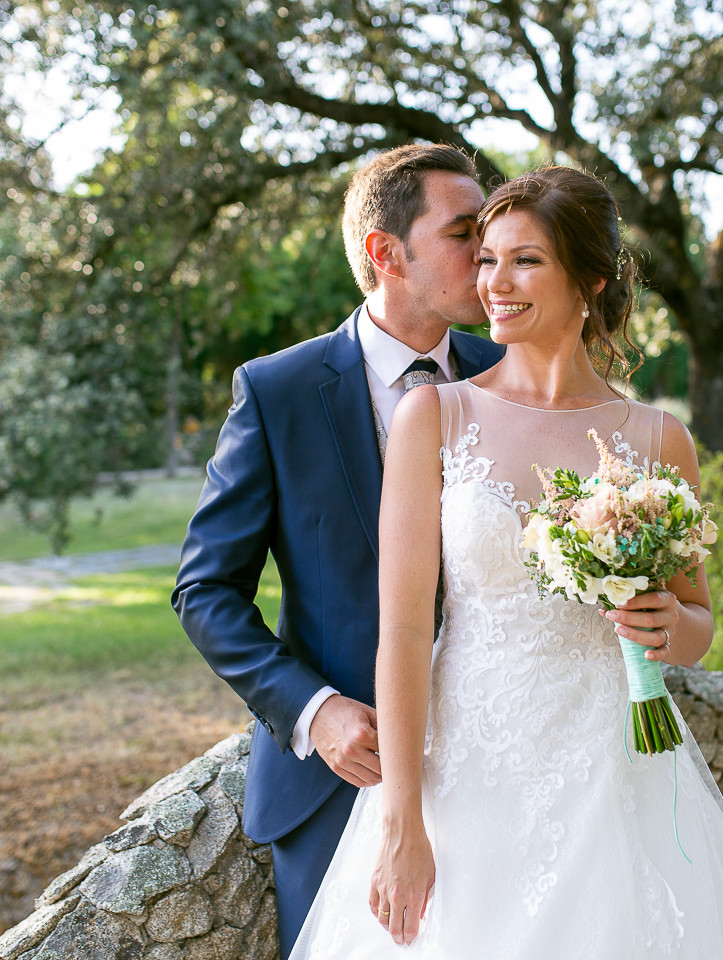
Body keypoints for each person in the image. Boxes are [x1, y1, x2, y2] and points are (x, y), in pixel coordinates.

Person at [288, 167, 723, 958]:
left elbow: (699, 625)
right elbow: (399, 631)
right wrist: (403, 820)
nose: (493, 281)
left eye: (524, 261)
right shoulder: (437, 413)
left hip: (615, 770)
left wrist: (672, 626)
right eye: (486, 257)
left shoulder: (659, 438)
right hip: (466, 772)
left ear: (590, 279)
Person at [172, 143, 505, 958]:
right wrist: (313, 713)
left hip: (505, 761)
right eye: (465, 232)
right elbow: (206, 591)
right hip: (340, 781)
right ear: (386, 253)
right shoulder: (277, 391)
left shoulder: (510, 377)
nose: (488, 254)